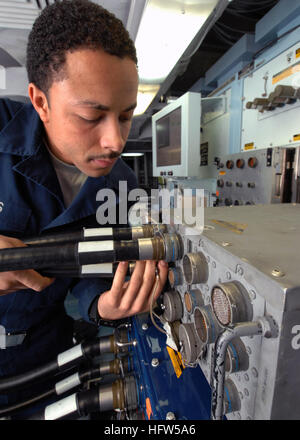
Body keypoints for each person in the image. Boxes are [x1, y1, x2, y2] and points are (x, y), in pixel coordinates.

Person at [0, 0, 168, 410]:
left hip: (37, 362)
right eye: (92, 116)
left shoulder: (123, 187)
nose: (115, 141)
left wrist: (103, 305)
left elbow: (90, 277)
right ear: (41, 102)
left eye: (126, 116)